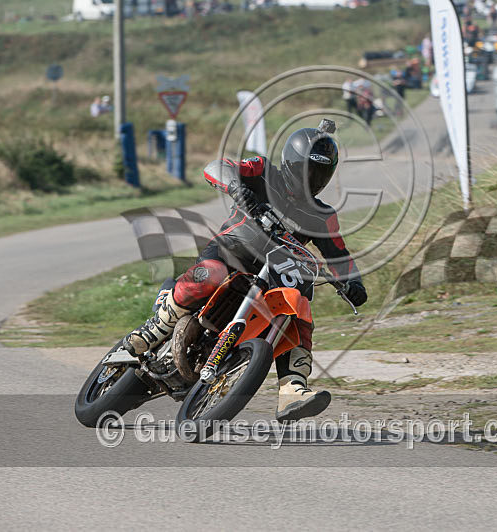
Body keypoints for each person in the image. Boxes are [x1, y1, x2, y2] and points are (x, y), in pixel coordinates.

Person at [122, 123, 367, 422]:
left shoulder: (323, 215)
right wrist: (238, 188)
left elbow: (340, 255)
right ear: (290, 164)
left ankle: (292, 388)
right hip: (231, 252)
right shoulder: (264, 172)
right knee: (210, 273)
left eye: (321, 175)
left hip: (273, 274)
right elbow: (216, 167)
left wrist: (352, 281)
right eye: (308, 172)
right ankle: (155, 328)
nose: (313, 181)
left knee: (298, 305)